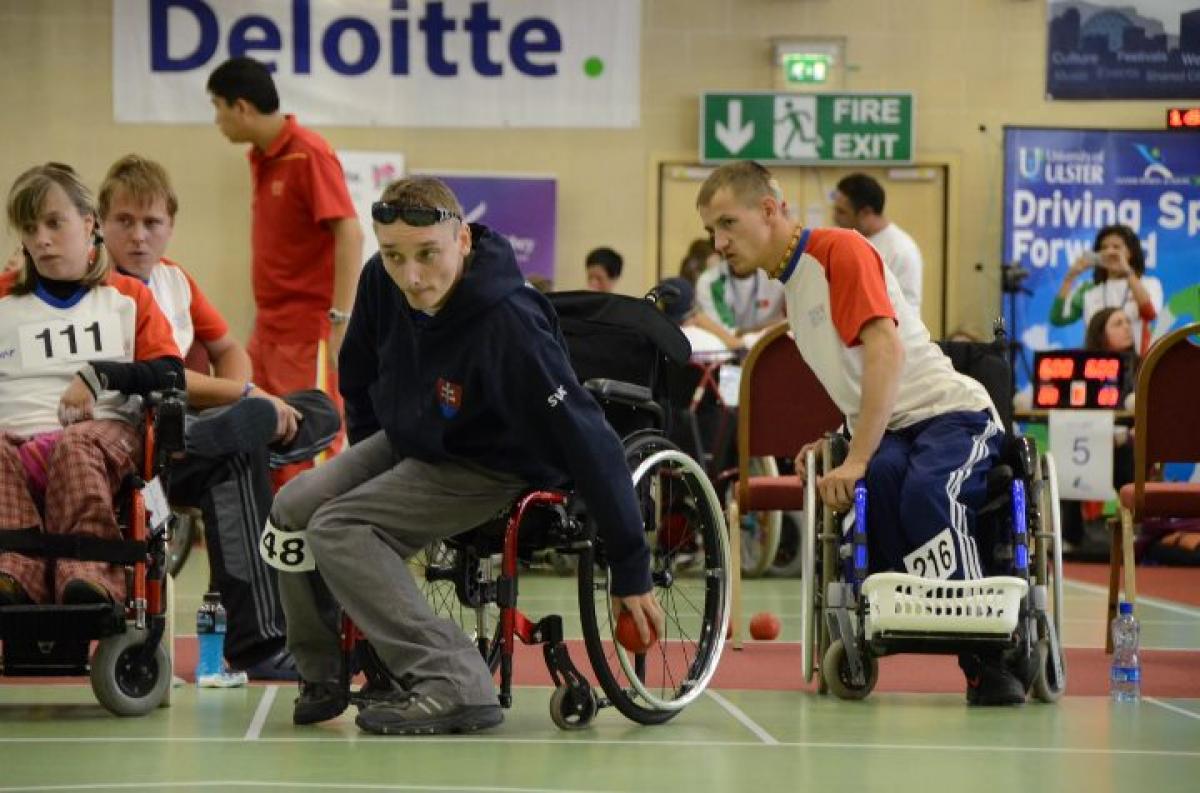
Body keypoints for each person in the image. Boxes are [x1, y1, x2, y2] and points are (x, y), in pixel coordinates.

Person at [270, 176, 665, 735]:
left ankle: (455, 681)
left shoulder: (509, 321)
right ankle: (328, 669)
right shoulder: (382, 282)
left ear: (462, 241)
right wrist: (373, 468)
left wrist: (630, 566)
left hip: (494, 461)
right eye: (394, 256)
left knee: (339, 527)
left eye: (427, 254)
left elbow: (588, 436)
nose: (411, 275)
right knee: (293, 506)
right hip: (414, 439)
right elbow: (358, 377)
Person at [696, 161, 1030, 706]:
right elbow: (859, 381)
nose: (719, 242)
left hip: (950, 415)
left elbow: (886, 351)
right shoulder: (795, 288)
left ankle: (988, 652)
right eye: (712, 231)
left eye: (728, 224)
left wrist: (855, 456)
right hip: (893, 430)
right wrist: (840, 439)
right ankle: (887, 623)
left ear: (768, 209)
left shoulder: (839, 252)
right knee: (873, 494)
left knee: (928, 492)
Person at [97, 154, 319, 679]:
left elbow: (227, 346)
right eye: (124, 222)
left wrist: (241, 394)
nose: (138, 236)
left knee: (259, 442)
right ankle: (261, 645)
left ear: (171, 226)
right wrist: (244, 393)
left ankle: (274, 428)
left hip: (188, 435)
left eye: (152, 223)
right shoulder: (97, 287)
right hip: (127, 438)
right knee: (241, 444)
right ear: (100, 224)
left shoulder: (176, 280)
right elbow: (163, 376)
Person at [1, 163, 183, 606]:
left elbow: (171, 371)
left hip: (101, 432)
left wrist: (101, 374)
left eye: (53, 223)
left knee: (75, 445)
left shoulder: (126, 296)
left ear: (88, 223)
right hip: (13, 433)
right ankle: (15, 572)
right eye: (29, 228)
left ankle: (91, 570)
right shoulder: (5, 298)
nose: (41, 239)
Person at [206, 56, 363, 487]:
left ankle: (316, 545)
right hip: (268, 328)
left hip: (306, 330)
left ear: (241, 107)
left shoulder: (308, 152)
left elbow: (350, 233)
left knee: (307, 439)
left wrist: (340, 322)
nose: (217, 120)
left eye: (218, 107)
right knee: (260, 426)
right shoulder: (261, 157)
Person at [1059, 307, 1139, 556]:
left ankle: (1135, 534)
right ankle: (1070, 538)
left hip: (1123, 446)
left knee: (1127, 456)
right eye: (1118, 323)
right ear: (1100, 334)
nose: (1127, 327)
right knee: (1066, 458)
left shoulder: (1141, 366)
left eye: (1127, 322)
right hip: (1087, 441)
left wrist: (1125, 435)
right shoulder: (1082, 367)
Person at [1051, 224, 1162, 354]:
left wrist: (1127, 271)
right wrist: (1070, 277)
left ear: (1130, 252)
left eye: (1116, 247)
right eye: (1104, 248)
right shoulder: (1089, 289)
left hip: (1135, 365)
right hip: (1096, 366)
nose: (1110, 252)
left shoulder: (1147, 284)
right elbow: (1057, 318)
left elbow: (1150, 313)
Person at [832, 173, 924, 311]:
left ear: (866, 212)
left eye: (842, 212)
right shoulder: (848, 241)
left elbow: (906, 312)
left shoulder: (901, 250)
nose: (835, 217)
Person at [693, 244, 786, 337]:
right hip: (733, 348)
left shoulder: (779, 268)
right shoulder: (710, 281)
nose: (719, 243)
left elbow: (794, 322)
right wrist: (774, 327)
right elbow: (727, 335)